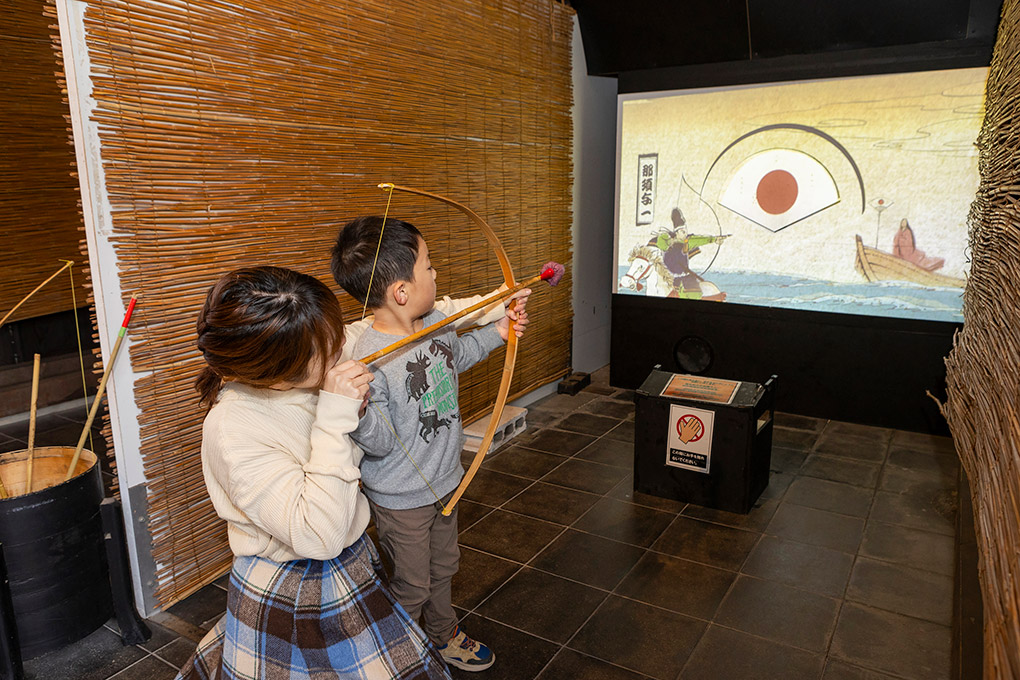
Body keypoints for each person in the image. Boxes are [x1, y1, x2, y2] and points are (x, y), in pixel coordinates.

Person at [176, 266, 453, 680]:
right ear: (277, 372)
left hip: (352, 560)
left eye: (334, 330)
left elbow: (387, 323)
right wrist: (335, 417)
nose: (341, 344)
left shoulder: (312, 358)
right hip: (293, 583)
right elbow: (318, 535)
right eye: (327, 345)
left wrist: (497, 311)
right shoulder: (233, 429)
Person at [330, 216, 529, 673]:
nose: (436, 275)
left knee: (445, 567)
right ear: (401, 291)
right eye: (429, 266)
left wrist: (499, 333)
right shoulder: (368, 359)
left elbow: (456, 356)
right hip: (402, 499)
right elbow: (379, 443)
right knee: (412, 584)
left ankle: (442, 634)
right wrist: (357, 409)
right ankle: (397, 655)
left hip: (446, 481)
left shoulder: (435, 321)